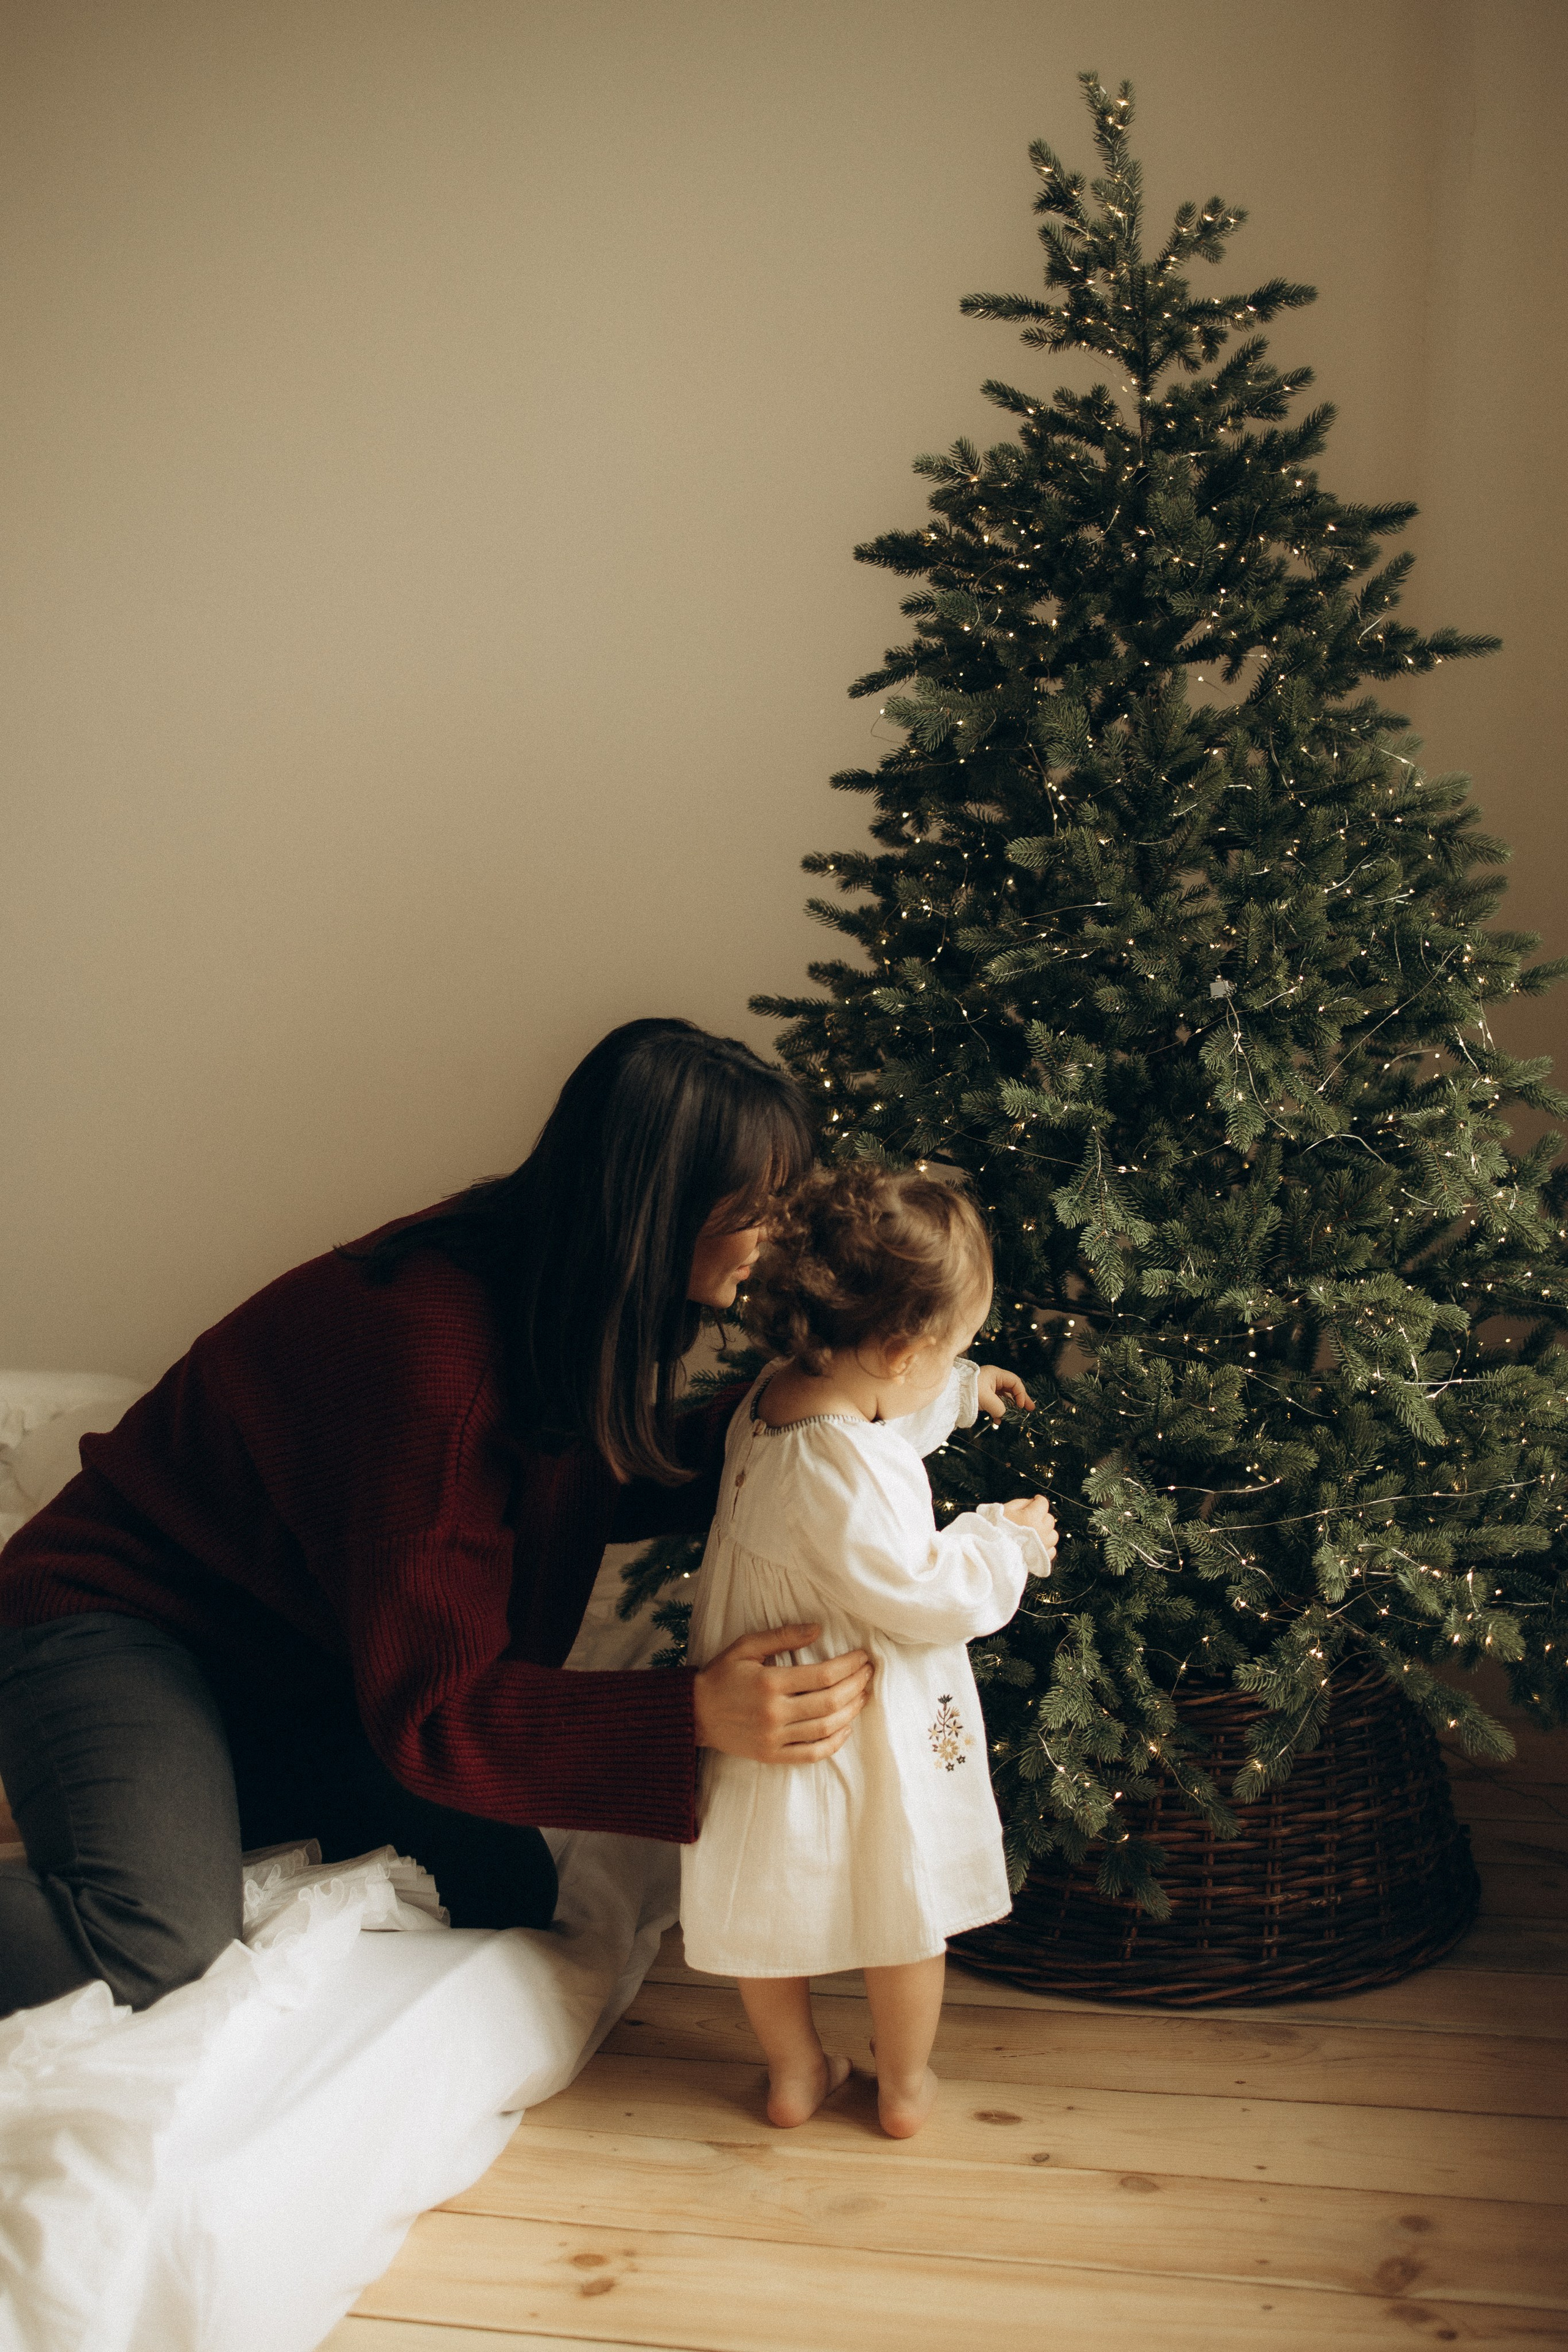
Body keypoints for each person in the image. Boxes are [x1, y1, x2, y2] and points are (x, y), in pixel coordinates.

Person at [0, 1019, 876, 2022]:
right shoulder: (435, 1361)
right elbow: (438, 1710)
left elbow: (605, 1474)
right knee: (152, 1940)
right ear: (658, 1211)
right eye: (757, 1215)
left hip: (284, 1659)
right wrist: (692, 1714)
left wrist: (846, 1399)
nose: (778, 1245)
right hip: (115, 1620)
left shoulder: (551, 1284)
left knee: (495, 1882)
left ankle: (157, 1798)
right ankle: (126, 1809)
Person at [679, 1163, 1057, 2139]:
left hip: (775, 1717)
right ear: (898, 1348)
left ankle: (796, 2071)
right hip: (854, 1717)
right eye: (953, 1349)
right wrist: (1005, 1539)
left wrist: (963, 1390)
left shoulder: (780, 1395)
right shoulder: (843, 1464)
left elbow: (890, 1411)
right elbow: (924, 1592)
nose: (951, 1364)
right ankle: (903, 2086)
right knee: (904, 1906)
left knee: (773, 1900)